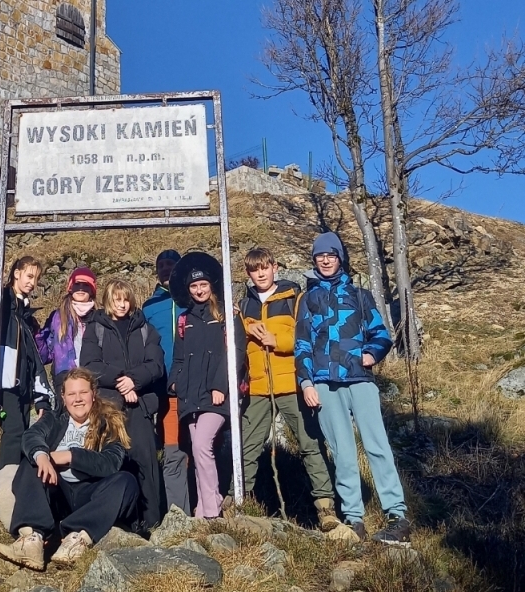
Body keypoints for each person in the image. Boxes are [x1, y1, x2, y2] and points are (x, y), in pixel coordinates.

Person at [296, 232, 409, 546]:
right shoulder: (307, 300)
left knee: (377, 446)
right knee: (342, 453)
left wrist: (371, 354)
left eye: (331, 255)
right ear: (314, 260)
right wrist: (306, 382)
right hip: (324, 384)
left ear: (340, 258)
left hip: (360, 380)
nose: (325, 260)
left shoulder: (359, 295)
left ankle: (397, 516)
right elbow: (302, 344)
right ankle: (353, 519)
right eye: (320, 256)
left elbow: (381, 334)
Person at [237, 247, 340, 531]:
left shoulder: (295, 298)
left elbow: (307, 335)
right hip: (258, 388)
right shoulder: (243, 305)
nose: (260, 274)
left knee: (309, 445)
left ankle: (325, 508)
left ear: (275, 268)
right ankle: (238, 504)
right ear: (248, 274)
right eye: (254, 270)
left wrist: (277, 340)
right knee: (246, 447)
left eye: (265, 268)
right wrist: (246, 329)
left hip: (292, 385)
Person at [0, 368, 138, 571]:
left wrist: (70, 455)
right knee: (32, 462)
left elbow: (110, 462)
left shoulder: (109, 422)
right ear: (63, 397)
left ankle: (77, 537)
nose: (77, 399)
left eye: (83, 392)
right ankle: (33, 538)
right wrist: (42, 455)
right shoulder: (54, 419)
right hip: (57, 491)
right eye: (71, 394)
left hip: (91, 495)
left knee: (126, 481)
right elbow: (31, 436)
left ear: (93, 394)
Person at [80, 278, 165, 531]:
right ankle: (116, 522)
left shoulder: (146, 329)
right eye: (117, 299)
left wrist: (134, 381)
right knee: (112, 463)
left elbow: (156, 365)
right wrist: (121, 381)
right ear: (108, 300)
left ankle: (152, 523)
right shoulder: (95, 329)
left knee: (146, 464)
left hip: (140, 407)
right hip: (109, 408)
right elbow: (90, 364)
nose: (122, 304)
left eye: (126, 299)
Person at [168, 252, 246, 519]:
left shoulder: (227, 316)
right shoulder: (184, 320)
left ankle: (212, 509)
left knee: (202, 445)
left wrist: (220, 386)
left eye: (203, 284)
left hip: (216, 396)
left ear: (212, 285)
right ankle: (203, 508)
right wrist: (175, 383)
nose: (199, 290)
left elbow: (235, 353)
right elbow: (179, 358)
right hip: (189, 396)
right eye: (194, 286)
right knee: (197, 450)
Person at [0, 256, 54, 470]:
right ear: (16, 273)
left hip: (22, 384)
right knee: (14, 431)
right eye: (29, 276)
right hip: (5, 382)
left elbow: (32, 358)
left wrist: (41, 398)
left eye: (36, 278)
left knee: (22, 432)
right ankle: (6, 481)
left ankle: (16, 479)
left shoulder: (23, 313)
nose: (32, 283)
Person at [142, 250, 190, 515]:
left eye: (170, 264)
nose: (165, 268)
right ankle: (177, 515)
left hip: (195, 389)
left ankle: (207, 510)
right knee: (172, 451)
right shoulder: (149, 307)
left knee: (201, 450)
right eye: (160, 265)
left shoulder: (193, 300)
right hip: (164, 391)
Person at [36, 267, 98, 396]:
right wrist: (37, 336)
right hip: (64, 378)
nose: (81, 289)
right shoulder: (57, 317)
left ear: (92, 290)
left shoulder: (100, 317)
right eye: (77, 284)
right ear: (70, 287)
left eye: (86, 285)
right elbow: (45, 355)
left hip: (93, 378)